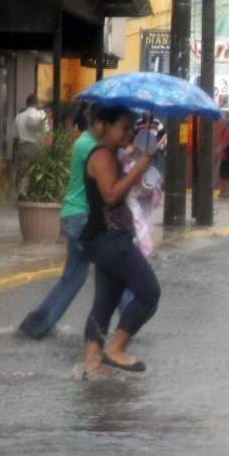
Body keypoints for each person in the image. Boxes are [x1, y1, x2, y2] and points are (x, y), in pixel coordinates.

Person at [81, 106, 161, 376]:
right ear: (104, 125)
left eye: (131, 128)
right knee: (149, 292)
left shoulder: (112, 155)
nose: (129, 134)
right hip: (110, 239)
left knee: (104, 302)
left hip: (106, 239)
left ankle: (91, 364)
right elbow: (111, 196)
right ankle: (116, 349)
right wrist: (137, 170)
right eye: (124, 128)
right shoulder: (102, 156)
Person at [17, 106, 97, 339]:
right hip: (82, 218)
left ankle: (35, 325)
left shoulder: (86, 143)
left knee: (73, 277)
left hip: (76, 216)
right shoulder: (89, 145)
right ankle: (132, 315)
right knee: (113, 266)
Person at [13, 94, 48, 194]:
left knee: (23, 173)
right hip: (37, 148)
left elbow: (15, 136)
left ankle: (21, 194)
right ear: (36, 103)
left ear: (26, 104)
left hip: (23, 147)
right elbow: (46, 132)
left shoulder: (19, 116)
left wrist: (15, 152)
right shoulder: (41, 115)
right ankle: (33, 194)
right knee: (36, 173)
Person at [217, 118, 229, 199]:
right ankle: (227, 192)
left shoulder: (224, 131)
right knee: (228, 175)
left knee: (223, 174)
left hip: (223, 155)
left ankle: (222, 191)